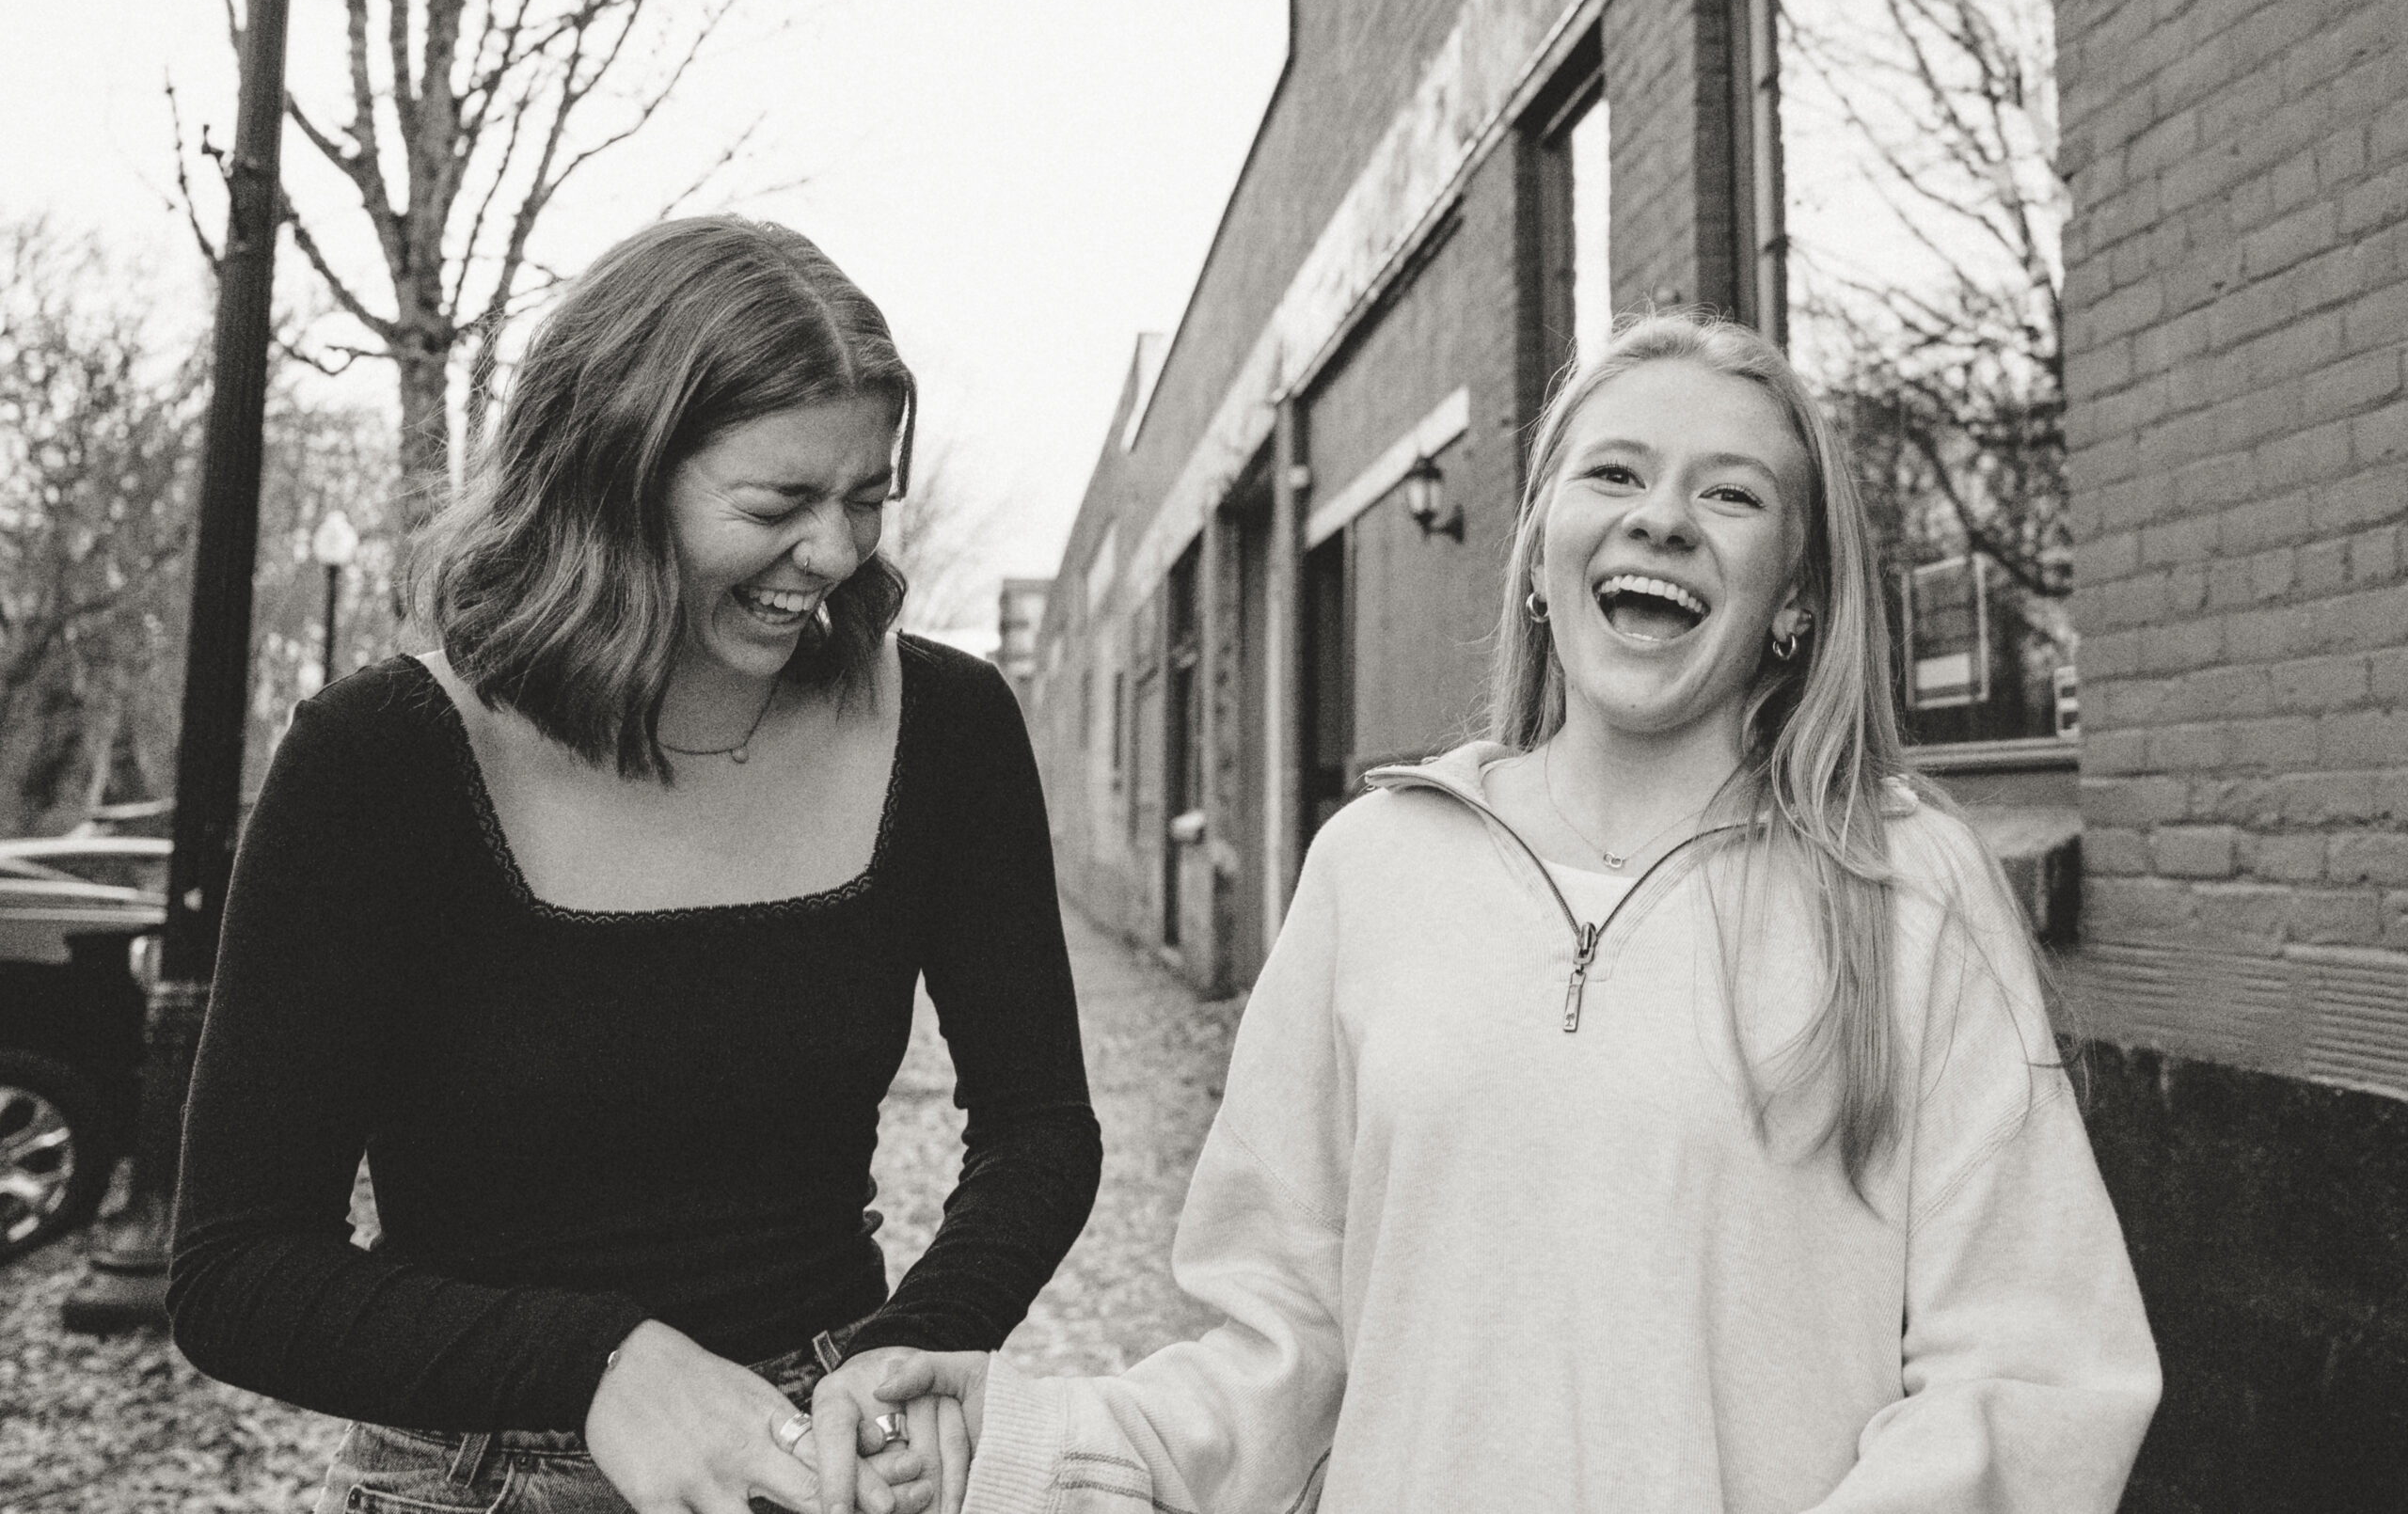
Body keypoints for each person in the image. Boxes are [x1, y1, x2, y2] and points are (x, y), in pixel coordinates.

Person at [812, 311, 2160, 1514]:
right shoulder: (1375, 866)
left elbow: (2037, 1370)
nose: (1662, 519)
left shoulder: (1907, 886)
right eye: (1616, 474)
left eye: (1731, 495)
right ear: (1538, 550)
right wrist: (1017, 1446)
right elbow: (1286, 1348)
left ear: (1795, 600)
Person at [168, 215, 1102, 1514]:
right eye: (778, 506)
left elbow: (1041, 1127)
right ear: (614, 477)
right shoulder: (380, 760)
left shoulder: (947, 727)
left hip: (826, 1459)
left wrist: (929, 1329)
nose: (836, 555)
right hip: (480, 1473)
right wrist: (600, 1364)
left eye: (866, 500)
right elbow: (237, 1271)